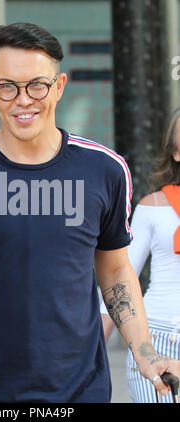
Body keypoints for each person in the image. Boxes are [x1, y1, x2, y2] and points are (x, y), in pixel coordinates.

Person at [0, 22, 180, 403]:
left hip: (80, 392)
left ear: (59, 86)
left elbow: (116, 270)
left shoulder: (103, 169)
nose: (22, 99)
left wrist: (145, 352)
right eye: (7, 86)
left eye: (37, 84)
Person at [101, 107, 180, 402]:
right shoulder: (152, 206)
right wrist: (92, 349)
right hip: (156, 343)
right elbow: (119, 275)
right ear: (175, 152)